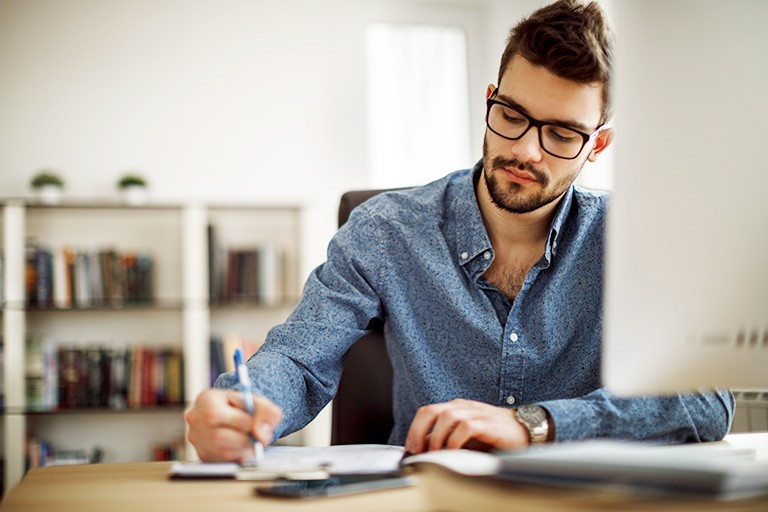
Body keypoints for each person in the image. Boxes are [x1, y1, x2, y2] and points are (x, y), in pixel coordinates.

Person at [185, 0, 733, 462]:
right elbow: (300, 359)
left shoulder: (634, 238)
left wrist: (535, 425)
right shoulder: (384, 230)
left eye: (562, 134)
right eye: (512, 115)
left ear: (598, 145)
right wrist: (238, 405)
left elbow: (707, 399)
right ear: (490, 98)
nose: (524, 150)